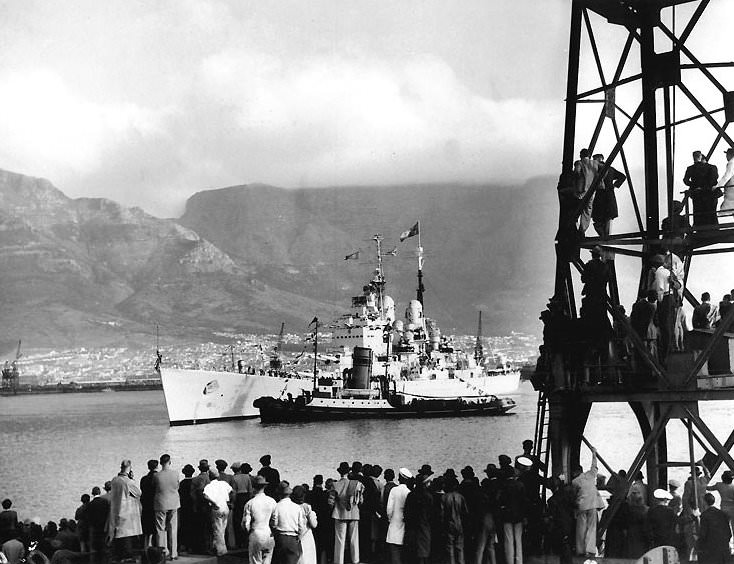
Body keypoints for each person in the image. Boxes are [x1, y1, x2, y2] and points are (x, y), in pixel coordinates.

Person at [108, 459, 143, 563]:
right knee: (127, 543)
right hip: (127, 516)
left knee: (118, 541)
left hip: (116, 512)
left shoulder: (114, 480)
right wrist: (132, 479)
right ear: (130, 468)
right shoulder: (128, 482)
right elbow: (138, 493)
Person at [332, 462, 363, 564]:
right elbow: (361, 501)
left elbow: (331, 502)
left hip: (339, 513)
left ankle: (339, 561)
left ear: (340, 472)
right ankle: (355, 560)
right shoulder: (357, 484)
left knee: (340, 539)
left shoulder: (335, 485)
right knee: (354, 538)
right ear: (349, 471)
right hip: (353, 513)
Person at [243, 475, 276, 564]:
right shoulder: (272, 501)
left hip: (256, 533)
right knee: (267, 561)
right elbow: (275, 522)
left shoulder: (250, 503)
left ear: (253, 487)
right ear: (265, 486)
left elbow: (246, 524)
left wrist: (247, 533)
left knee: (255, 561)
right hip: (268, 533)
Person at [571, 447, 598, 557]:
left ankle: (581, 550)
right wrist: (594, 454)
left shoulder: (575, 481)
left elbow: (573, 495)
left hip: (582, 506)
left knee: (581, 528)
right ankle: (590, 550)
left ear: (576, 472)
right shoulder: (590, 475)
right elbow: (594, 466)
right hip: (593, 504)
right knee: (592, 527)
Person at [591, 153, 626, 238]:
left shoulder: (594, 170)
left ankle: (603, 235)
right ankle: (606, 235)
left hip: (599, 195)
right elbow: (622, 176)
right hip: (609, 195)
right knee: (608, 216)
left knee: (598, 217)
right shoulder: (610, 169)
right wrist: (615, 185)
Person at [152, 453, 179, 560]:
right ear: (170, 462)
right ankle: (173, 553)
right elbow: (177, 486)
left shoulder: (156, 475)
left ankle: (162, 552)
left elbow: (154, 486)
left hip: (160, 503)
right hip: (173, 503)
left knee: (160, 529)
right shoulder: (175, 474)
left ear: (160, 463)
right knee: (173, 528)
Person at [270, 482, 306, 564]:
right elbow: (301, 526)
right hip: (293, 537)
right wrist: (299, 537)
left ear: (280, 495)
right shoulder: (297, 507)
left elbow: (274, 523)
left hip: (281, 537)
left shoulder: (277, 506)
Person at [684, 150, 720, 227]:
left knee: (698, 213)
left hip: (697, 195)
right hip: (710, 194)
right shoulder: (712, 167)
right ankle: (713, 228)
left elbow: (686, 180)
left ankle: (698, 228)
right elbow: (714, 180)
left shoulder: (690, 168)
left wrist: (694, 186)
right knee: (711, 212)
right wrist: (705, 187)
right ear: (701, 157)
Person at [404, 474, 433, 564]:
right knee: (424, 551)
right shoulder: (428, 496)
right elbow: (431, 514)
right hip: (424, 526)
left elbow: (407, 512)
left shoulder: (411, 495)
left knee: (413, 551)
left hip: (412, 527)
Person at [203, 468, 232, 556]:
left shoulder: (209, 486)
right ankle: (217, 547)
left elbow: (205, 495)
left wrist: (213, 502)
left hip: (216, 508)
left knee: (217, 529)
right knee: (223, 528)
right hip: (225, 507)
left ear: (209, 476)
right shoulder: (223, 483)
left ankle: (221, 550)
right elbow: (231, 491)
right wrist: (228, 500)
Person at [697, 493, 731, 564]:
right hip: (724, 550)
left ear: (704, 502)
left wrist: (698, 545)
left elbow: (703, 534)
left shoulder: (705, 516)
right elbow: (729, 533)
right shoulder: (722, 514)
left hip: (711, 551)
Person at [386, 468, 411, 564]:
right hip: (404, 525)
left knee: (394, 553)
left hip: (394, 523)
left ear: (399, 478)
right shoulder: (408, 492)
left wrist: (390, 520)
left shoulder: (394, 490)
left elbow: (389, 509)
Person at [441, 475, 468, 564]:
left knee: (450, 549)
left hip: (449, 524)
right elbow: (465, 513)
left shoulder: (444, 497)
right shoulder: (461, 497)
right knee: (460, 548)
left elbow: (442, 514)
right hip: (459, 524)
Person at [573, 148, 600, 235]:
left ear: (581, 155)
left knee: (575, 209)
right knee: (587, 211)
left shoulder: (579, 163)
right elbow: (603, 171)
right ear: (589, 155)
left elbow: (576, 172)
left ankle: (574, 228)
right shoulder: (595, 163)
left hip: (580, 191)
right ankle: (582, 230)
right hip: (591, 191)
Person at [292, 485, 317, 564]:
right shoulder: (307, 507)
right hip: (307, 535)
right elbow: (314, 524)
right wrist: (313, 515)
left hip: (295, 534)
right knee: (309, 557)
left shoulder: (292, 506)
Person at [190, 459, 211, 553]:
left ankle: (197, 546)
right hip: (207, 505)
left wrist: (195, 504)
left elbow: (192, 494)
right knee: (207, 527)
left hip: (197, 505)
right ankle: (206, 547)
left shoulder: (195, 479)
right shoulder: (209, 479)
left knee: (198, 527)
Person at [86, 486, 110, 564]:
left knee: (95, 548)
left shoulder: (90, 504)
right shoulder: (105, 502)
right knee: (104, 546)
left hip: (94, 528)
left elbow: (88, 518)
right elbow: (108, 514)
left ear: (92, 494)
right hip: (104, 527)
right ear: (99, 493)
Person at [706, 470, 734, 534]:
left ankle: (726, 542)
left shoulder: (719, 485)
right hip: (733, 510)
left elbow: (709, 488)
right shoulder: (733, 487)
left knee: (724, 528)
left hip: (724, 508)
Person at [233, 462, 253, 549]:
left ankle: (239, 541)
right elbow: (250, 490)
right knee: (247, 518)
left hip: (238, 498)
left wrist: (233, 502)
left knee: (238, 519)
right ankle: (246, 540)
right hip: (246, 497)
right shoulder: (247, 477)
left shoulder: (234, 478)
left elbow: (234, 492)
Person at [140, 459, 159, 549]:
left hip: (146, 505)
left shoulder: (144, 479)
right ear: (157, 466)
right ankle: (156, 549)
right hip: (155, 505)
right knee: (156, 529)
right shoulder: (158, 478)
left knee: (146, 530)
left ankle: (145, 548)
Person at [177, 464, 195, 554]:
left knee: (184, 525)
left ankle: (183, 544)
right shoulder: (194, 482)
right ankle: (192, 545)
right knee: (193, 525)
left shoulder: (182, 483)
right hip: (193, 507)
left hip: (184, 507)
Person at [716, 147, 734, 218]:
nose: (726, 157)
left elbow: (727, 175)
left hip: (731, 191)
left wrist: (718, 186)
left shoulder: (731, 163)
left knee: (725, 210)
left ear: (730, 154)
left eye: (727, 155)